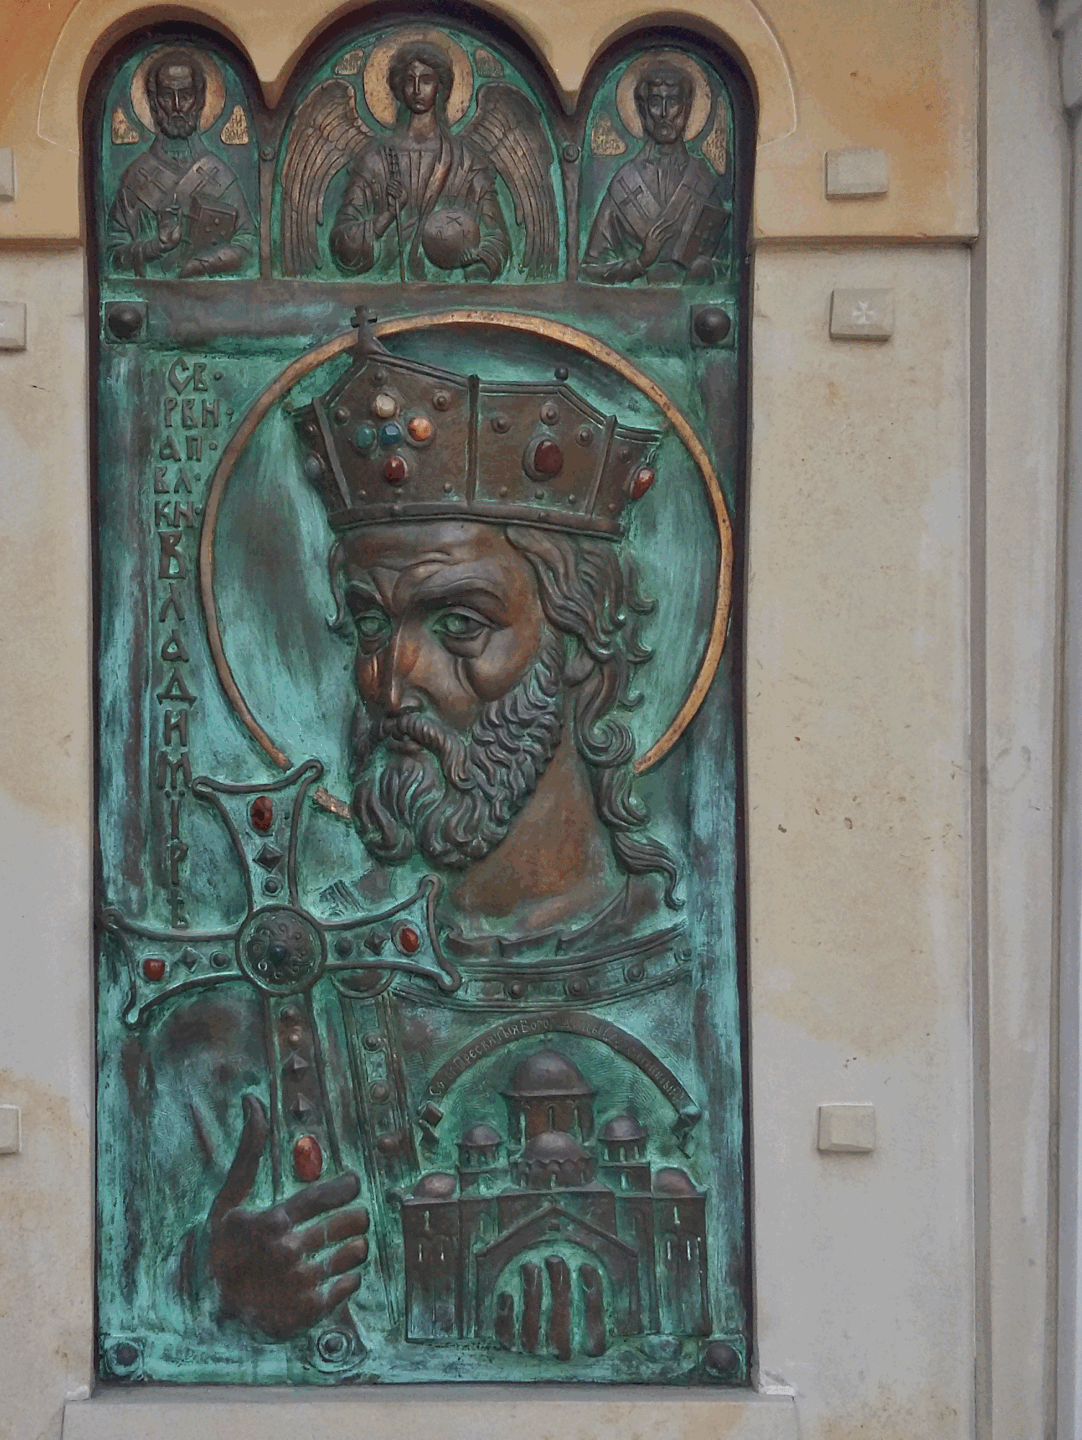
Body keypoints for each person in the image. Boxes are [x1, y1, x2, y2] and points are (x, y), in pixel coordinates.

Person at [192, 326, 688, 1341]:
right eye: (371, 625)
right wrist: (226, 1288)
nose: (391, 681)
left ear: (581, 650)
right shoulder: (292, 971)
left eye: (459, 625)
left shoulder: (691, 970)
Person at [330, 43, 511, 280]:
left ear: (440, 87)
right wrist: (388, 216)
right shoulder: (375, 160)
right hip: (383, 296)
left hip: (452, 295)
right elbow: (341, 245)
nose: (417, 90)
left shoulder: (467, 161)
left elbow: (497, 238)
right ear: (399, 87)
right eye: (409, 81)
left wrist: (476, 259)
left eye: (426, 80)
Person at [106, 47, 253, 279]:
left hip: (213, 298)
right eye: (167, 96)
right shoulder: (135, 177)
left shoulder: (219, 174)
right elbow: (113, 255)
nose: (176, 106)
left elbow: (248, 243)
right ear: (153, 102)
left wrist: (201, 264)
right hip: (147, 296)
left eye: (186, 95)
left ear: (200, 100)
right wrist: (155, 246)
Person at [580, 61, 731, 285]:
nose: (664, 113)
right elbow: (590, 270)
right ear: (642, 110)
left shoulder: (702, 178)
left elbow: (728, 265)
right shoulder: (625, 181)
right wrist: (640, 262)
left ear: (687, 108)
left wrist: (705, 269)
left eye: (673, 102)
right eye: (655, 102)